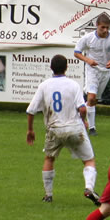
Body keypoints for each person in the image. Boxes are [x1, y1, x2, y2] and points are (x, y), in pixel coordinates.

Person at [26, 54, 100, 206]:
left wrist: (30, 130)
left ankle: (48, 195)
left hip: (54, 129)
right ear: (67, 67)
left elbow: (31, 110)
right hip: (74, 128)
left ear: (51, 68)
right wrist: (84, 120)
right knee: (88, 160)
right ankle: (89, 188)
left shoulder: (44, 85)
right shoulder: (73, 85)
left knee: (49, 158)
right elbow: (82, 108)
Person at [74, 13, 110, 136]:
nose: (105, 30)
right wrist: (88, 60)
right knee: (91, 97)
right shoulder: (88, 38)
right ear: (97, 26)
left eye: (107, 27)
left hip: (106, 71)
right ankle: (92, 128)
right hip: (92, 70)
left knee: (93, 100)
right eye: (102, 27)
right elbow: (77, 52)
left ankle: (80, 112)